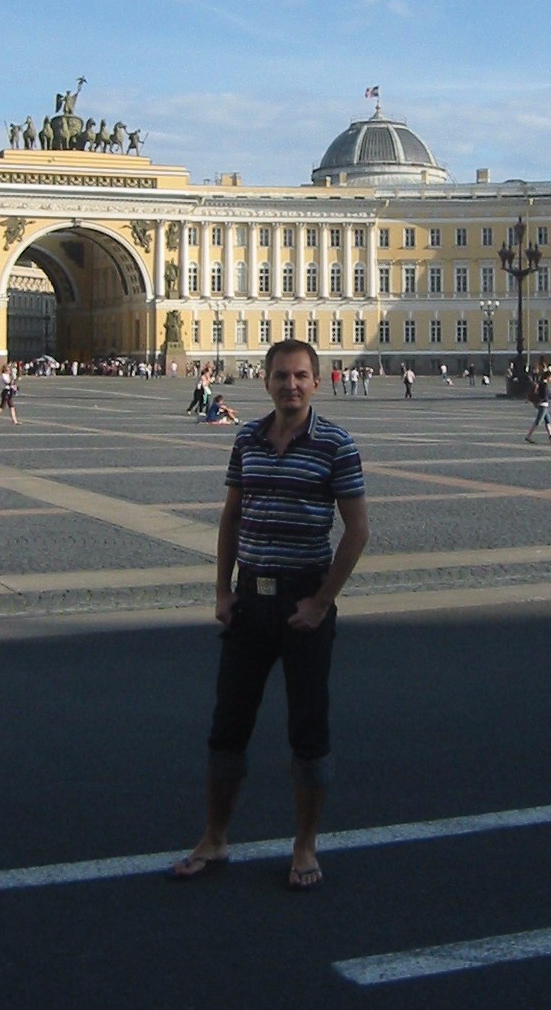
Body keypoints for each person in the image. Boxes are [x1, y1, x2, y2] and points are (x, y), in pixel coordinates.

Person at [170, 340, 369, 892]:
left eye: (301, 376)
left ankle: (304, 845)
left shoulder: (336, 444)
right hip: (249, 602)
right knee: (228, 725)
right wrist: (222, 592)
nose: (292, 385)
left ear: (317, 380)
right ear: (266, 381)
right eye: (282, 376)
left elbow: (357, 530)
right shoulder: (247, 440)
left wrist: (322, 601)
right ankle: (215, 836)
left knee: (308, 729)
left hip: (303, 601)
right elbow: (231, 517)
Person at [524, 367, 551, 443]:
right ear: (548, 377)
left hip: (543, 405)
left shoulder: (540, 383)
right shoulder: (544, 385)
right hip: (543, 405)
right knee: (538, 421)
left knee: (548, 421)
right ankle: (528, 436)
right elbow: (543, 396)